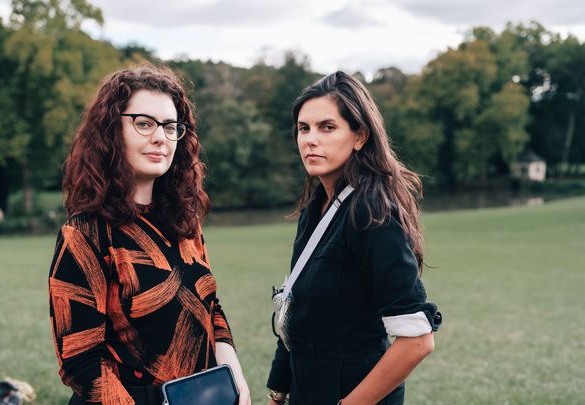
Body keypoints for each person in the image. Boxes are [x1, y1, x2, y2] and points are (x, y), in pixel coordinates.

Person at [48, 65, 250, 405]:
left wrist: (236, 381)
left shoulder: (184, 221)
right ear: (112, 131)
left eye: (171, 127)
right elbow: (80, 360)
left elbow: (210, 307)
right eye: (144, 123)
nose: (160, 137)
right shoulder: (84, 233)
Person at [266, 71, 442, 405]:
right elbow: (295, 305)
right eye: (304, 128)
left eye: (327, 127)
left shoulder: (371, 213)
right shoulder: (315, 209)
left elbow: (417, 340)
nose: (310, 139)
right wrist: (280, 389)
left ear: (360, 136)